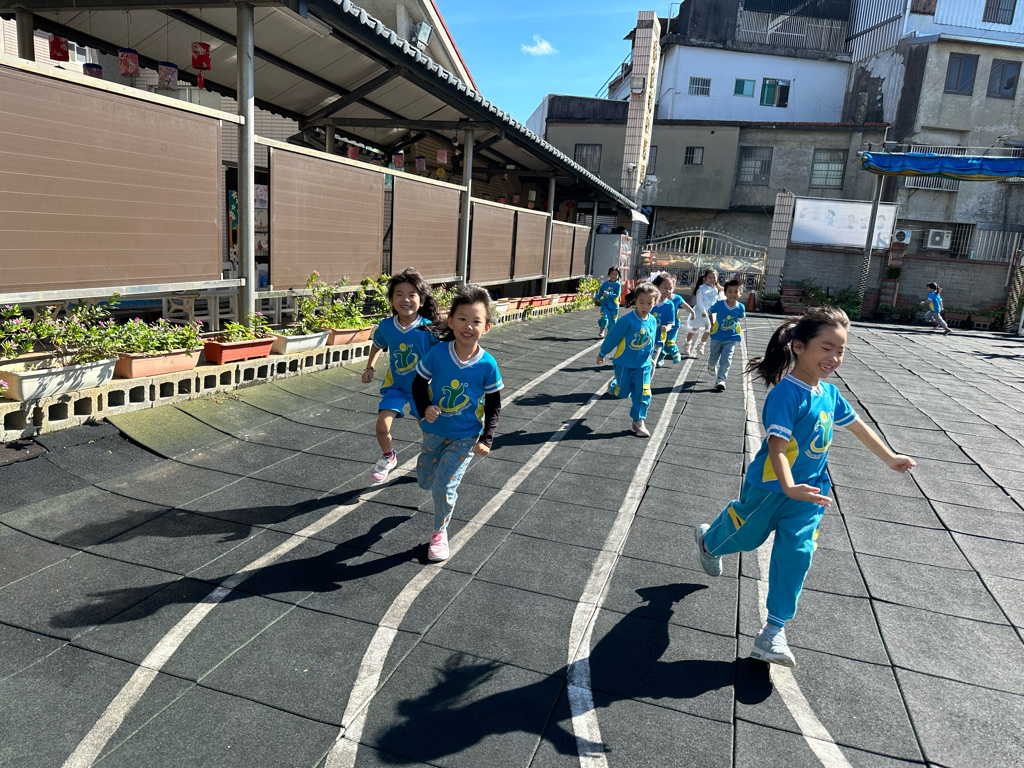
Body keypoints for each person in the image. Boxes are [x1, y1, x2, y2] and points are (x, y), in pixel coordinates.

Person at [692, 306, 915, 667]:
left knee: (797, 554)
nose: (834, 358)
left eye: (840, 350)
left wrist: (890, 457)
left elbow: (858, 427)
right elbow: (777, 450)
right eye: (826, 348)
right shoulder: (786, 394)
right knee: (746, 538)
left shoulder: (830, 394)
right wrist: (789, 485)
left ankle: (773, 631)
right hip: (770, 489)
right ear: (799, 346)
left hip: (809, 493)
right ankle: (709, 541)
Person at [411, 285, 503, 562]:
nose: (468, 326)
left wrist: (487, 438)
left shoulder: (487, 364)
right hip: (434, 431)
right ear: (451, 321)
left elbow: (494, 405)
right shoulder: (438, 353)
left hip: (466, 436)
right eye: (462, 318)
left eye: (476, 321)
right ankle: (435, 483)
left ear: (486, 327)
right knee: (425, 480)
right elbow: (418, 384)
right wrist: (425, 408)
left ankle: (439, 533)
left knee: (443, 486)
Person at [362, 269, 440, 482]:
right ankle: (389, 456)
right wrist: (369, 368)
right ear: (391, 300)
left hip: (422, 389)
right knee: (381, 426)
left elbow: (442, 355)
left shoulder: (429, 329)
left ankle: (431, 460)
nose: (405, 299)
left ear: (421, 301)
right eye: (399, 294)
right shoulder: (386, 326)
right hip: (396, 386)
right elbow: (377, 344)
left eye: (412, 295)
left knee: (428, 431)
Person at [596, 282, 659, 438]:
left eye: (649, 303)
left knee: (644, 393)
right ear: (635, 301)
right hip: (624, 364)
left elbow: (651, 340)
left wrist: (651, 358)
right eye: (641, 302)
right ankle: (614, 385)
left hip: (643, 366)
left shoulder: (652, 320)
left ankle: (638, 421)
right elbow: (613, 337)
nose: (645, 306)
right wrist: (602, 353)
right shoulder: (626, 320)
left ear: (655, 303)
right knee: (623, 393)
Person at [706, 279, 746, 392]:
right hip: (717, 336)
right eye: (730, 291)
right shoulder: (719, 305)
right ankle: (711, 365)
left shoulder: (740, 307)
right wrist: (712, 324)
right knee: (714, 356)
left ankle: (721, 380)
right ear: (725, 293)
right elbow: (709, 311)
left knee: (726, 359)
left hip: (731, 338)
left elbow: (740, 317)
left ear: (740, 293)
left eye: (736, 291)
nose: (733, 294)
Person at [651, 273, 695, 367]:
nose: (668, 291)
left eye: (670, 288)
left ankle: (675, 353)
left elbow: (685, 305)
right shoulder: (652, 302)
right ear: (657, 287)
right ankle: (660, 358)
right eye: (665, 288)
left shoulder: (674, 300)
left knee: (669, 343)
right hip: (658, 327)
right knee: (659, 343)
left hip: (673, 326)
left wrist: (693, 312)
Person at [683, 268, 724, 356]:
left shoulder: (717, 289)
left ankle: (701, 345)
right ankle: (687, 343)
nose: (712, 280)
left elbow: (720, 300)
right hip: (701, 312)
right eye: (710, 278)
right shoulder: (701, 289)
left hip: (711, 312)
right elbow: (699, 302)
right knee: (695, 329)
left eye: (714, 277)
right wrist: (703, 311)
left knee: (709, 328)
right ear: (705, 278)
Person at [595, 267, 623, 338]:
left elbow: (616, 295)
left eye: (616, 275)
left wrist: (608, 294)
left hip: (614, 306)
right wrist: (597, 297)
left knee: (612, 321)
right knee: (604, 318)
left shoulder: (617, 285)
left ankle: (610, 332)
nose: (614, 276)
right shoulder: (605, 284)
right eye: (612, 274)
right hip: (605, 304)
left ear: (618, 276)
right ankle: (602, 329)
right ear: (609, 274)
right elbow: (601, 292)